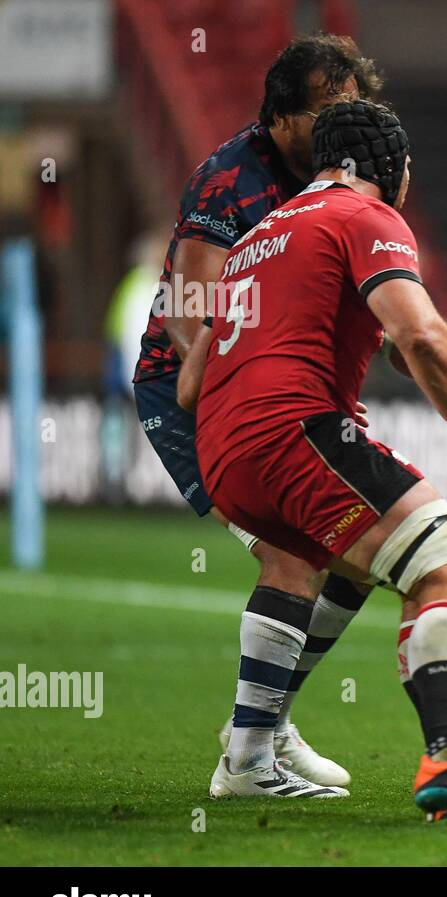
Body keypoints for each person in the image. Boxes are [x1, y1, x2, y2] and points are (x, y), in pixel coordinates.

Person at [185, 99, 447, 819]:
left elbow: (189, 383)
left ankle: (248, 752)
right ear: (389, 169)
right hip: (294, 430)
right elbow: (421, 335)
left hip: (224, 450)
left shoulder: (257, 238)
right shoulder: (368, 216)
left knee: (340, 564)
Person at [132, 35, 383, 791]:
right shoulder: (229, 180)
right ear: (280, 116)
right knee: (295, 553)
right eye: (327, 113)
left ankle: (264, 721)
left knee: (362, 547)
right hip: (193, 392)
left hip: (283, 393)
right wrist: (248, 390)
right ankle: (247, 758)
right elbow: (188, 309)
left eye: (353, 112)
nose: (342, 128)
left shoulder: (345, 175)